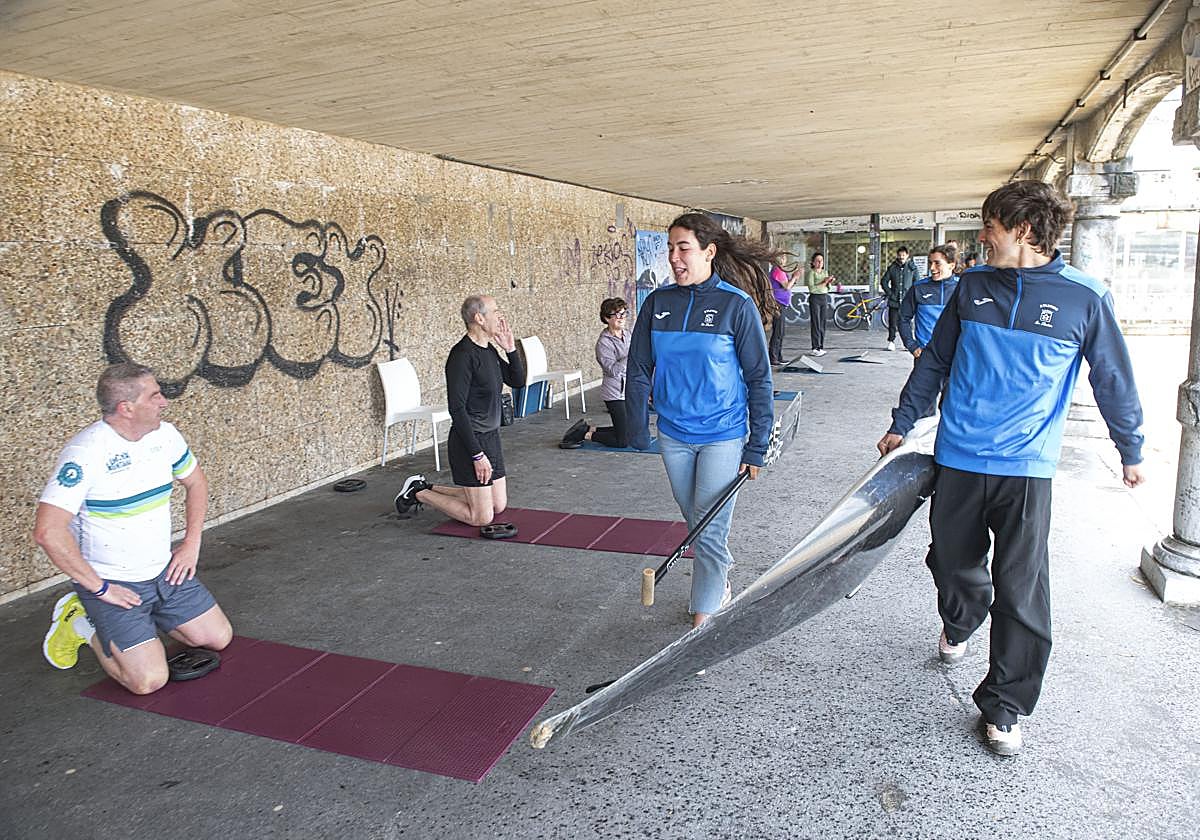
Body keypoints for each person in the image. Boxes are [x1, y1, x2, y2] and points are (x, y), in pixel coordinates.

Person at [877, 181, 1145, 757]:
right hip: (958, 456)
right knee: (949, 562)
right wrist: (903, 420)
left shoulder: (1085, 298)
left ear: (1023, 230)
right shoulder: (971, 287)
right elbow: (936, 361)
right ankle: (964, 614)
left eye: (989, 225)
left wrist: (1131, 448)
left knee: (1023, 589)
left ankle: (1005, 703)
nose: (981, 235)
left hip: (1027, 467)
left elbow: (1112, 377)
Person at [35, 363, 233, 695]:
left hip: (164, 572)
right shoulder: (86, 453)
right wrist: (99, 588)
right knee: (148, 681)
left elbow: (196, 483)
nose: (163, 402)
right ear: (127, 408)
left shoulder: (165, 436)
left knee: (217, 639)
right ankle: (82, 622)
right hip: (113, 582)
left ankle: (140, 626)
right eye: (154, 395)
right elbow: (48, 532)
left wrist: (191, 543)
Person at [626, 212, 774, 629]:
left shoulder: (735, 306)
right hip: (673, 434)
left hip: (723, 435)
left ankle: (703, 620)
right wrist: (637, 428)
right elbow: (638, 367)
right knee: (697, 520)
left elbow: (759, 378)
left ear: (708, 252)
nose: (674, 257)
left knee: (708, 528)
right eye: (670, 248)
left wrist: (757, 444)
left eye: (683, 248)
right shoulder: (657, 304)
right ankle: (720, 571)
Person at [395, 295, 526, 526]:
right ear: (479, 318)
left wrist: (510, 349)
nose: (500, 316)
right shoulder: (462, 356)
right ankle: (417, 493)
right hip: (469, 442)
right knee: (482, 517)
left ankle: (425, 485)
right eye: (495, 311)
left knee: (498, 505)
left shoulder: (489, 351)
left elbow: (518, 381)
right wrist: (477, 455)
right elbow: (456, 408)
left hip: (491, 437)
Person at [560, 297, 632, 449]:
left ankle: (588, 428)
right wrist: (631, 356)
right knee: (622, 441)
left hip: (629, 389)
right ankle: (584, 435)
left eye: (624, 313)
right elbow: (612, 370)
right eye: (617, 315)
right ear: (607, 318)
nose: (622, 318)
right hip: (614, 393)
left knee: (631, 431)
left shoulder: (627, 334)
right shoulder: (603, 342)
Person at [879, 246, 920, 351]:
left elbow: (917, 283)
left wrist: (913, 296)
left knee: (907, 323)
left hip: (907, 300)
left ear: (907, 255)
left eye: (903, 255)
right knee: (892, 322)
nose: (902, 257)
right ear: (897, 255)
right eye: (900, 255)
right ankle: (891, 341)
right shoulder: (892, 268)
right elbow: (884, 281)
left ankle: (907, 343)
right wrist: (890, 294)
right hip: (894, 301)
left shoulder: (912, 268)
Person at [803, 252, 835, 356]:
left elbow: (827, 288)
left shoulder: (824, 272)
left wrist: (829, 282)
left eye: (821, 260)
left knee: (823, 322)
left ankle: (821, 346)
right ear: (813, 262)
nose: (820, 262)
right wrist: (824, 282)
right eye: (817, 260)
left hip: (824, 297)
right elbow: (812, 288)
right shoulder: (811, 273)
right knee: (816, 323)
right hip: (815, 298)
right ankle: (815, 347)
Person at [767, 263, 795, 365]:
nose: (784, 260)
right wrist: (795, 277)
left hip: (782, 304)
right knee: (778, 331)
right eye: (782, 257)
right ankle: (773, 357)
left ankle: (778, 356)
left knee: (781, 332)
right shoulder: (777, 270)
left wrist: (792, 279)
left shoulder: (781, 271)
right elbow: (787, 286)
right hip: (778, 303)